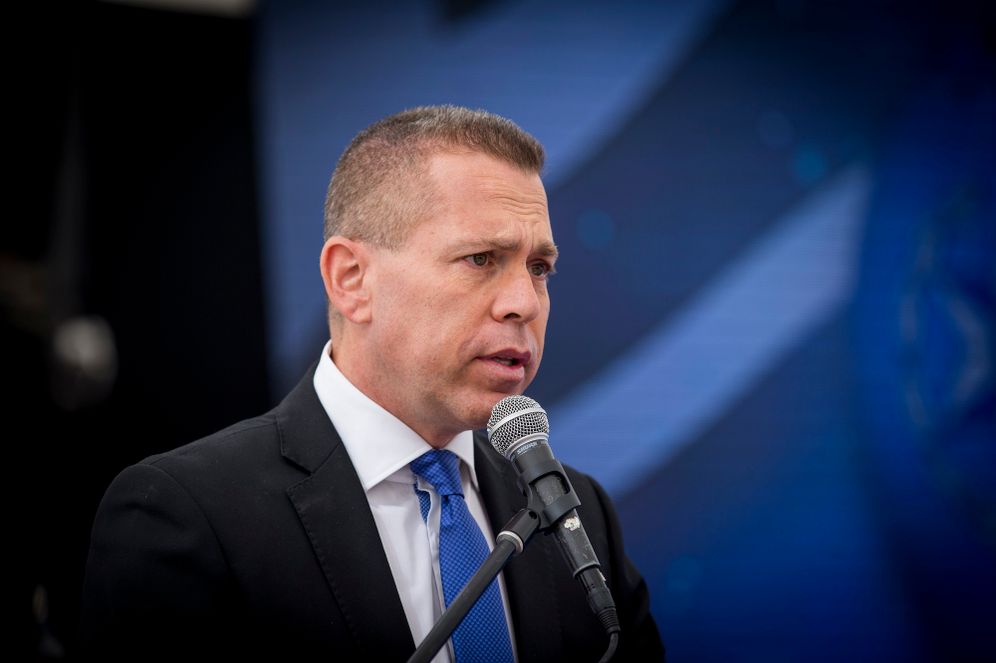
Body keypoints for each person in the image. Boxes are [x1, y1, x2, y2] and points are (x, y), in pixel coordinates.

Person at [81, 105, 664, 661]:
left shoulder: (577, 512)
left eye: (539, 268)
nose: (522, 303)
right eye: (482, 259)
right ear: (351, 279)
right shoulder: (184, 514)